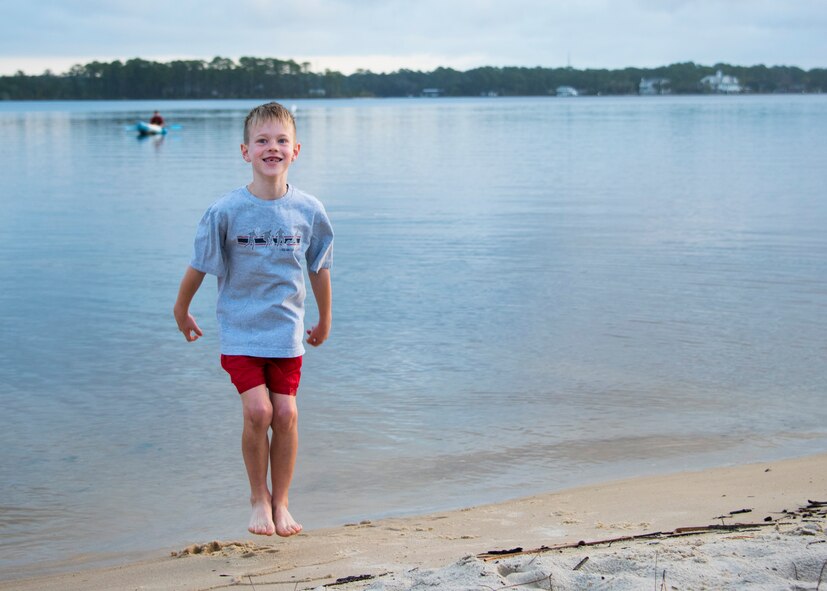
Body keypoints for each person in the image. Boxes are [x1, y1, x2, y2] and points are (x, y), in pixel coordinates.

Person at [173, 102, 333, 537]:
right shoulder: (225, 211)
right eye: (262, 140)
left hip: (286, 333)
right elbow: (200, 264)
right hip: (240, 332)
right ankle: (257, 498)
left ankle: (281, 501)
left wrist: (324, 319)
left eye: (281, 140)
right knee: (259, 410)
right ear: (245, 151)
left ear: (295, 150)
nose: (272, 148)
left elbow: (319, 267)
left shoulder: (309, 209)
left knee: (286, 415)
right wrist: (181, 308)